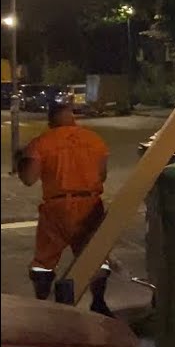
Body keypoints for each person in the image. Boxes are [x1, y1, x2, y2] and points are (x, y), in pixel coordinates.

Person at [18, 100, 114, 316]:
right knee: (96, 255)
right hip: (91, 205)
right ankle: (98, 301)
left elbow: (29, 178)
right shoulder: (94, 140)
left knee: (44, 260)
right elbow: (102, 175)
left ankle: (42, 303)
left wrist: (20, 160)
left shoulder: (41, 143)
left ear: (50, 121)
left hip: (57, 209)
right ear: (73, 117)